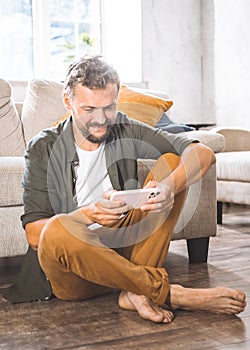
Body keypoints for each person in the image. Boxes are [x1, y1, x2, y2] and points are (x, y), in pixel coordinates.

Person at [7, 55, 246, 323]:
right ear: (68, 101)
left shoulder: (123, 127)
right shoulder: (42, 147)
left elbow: (201, 153)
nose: (100, 120)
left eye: (108, 108)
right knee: (57, 229)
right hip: (76, 273)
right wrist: (89, 214)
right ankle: (168, 293)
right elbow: (34, 235)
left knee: (171, 163)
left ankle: (134, 292)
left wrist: (167, 188)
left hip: (128, 252)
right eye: (88, 109)